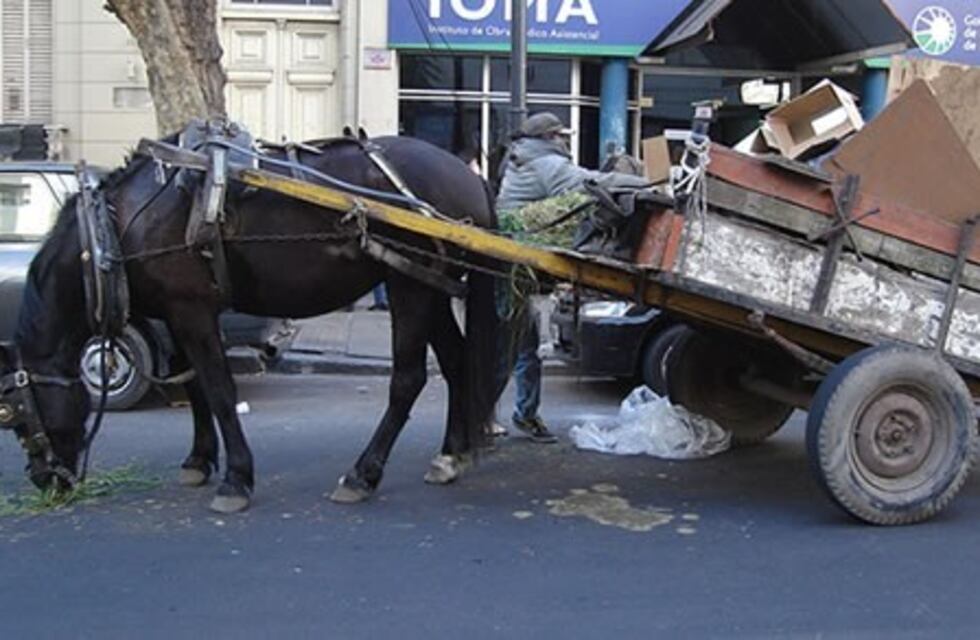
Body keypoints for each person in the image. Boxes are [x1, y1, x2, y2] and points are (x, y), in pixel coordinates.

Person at [493, 111, 650, 444]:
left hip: (510, 262)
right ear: (549, 137)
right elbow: (588, 183)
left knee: (519, 348)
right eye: (561, 136)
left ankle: (511, 414)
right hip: (511, 266)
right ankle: (494, 416)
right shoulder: (543, 163)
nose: (565, 141)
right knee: (514, 348)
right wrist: (647, 183)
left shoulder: (523, 158)